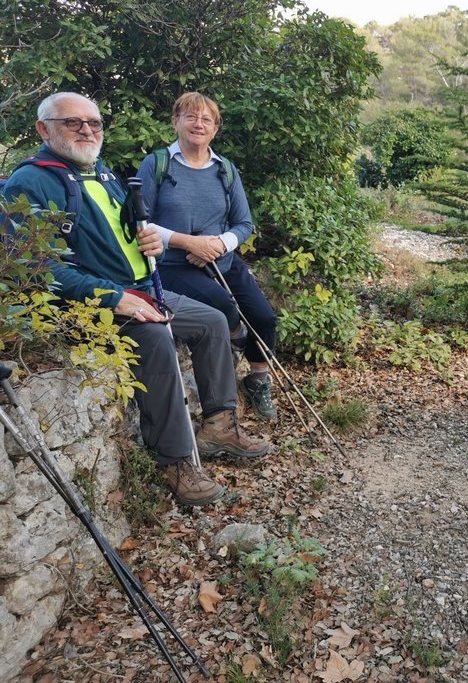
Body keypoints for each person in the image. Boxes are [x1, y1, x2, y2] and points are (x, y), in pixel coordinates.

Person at [3, 92, 271, 507]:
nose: (87, 130)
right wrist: (113, 298)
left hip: (140, 289)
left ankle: (219, 424)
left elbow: (124, 234)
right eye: (73, 123)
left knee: (212, 320)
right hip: (93, 303)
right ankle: (176, 461)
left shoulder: (102, 175)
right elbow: (38, 269)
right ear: (44, 129)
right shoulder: (31, 183)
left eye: (94, 123)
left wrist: (149, 242)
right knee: (155, 338)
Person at [138, 92, 278, 421]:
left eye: (206, 119)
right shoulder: (157, 164)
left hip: (223, 260)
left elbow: (244, 223)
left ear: (215, 128)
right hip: (174, 265)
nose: (198, 124)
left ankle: (258, 379)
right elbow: (139, 222)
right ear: (175, 122)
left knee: (265, 317)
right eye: (190, 116)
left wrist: (218, 245)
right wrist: (189, 243)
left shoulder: (225, 169)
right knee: (224, 305)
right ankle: (233, 342)